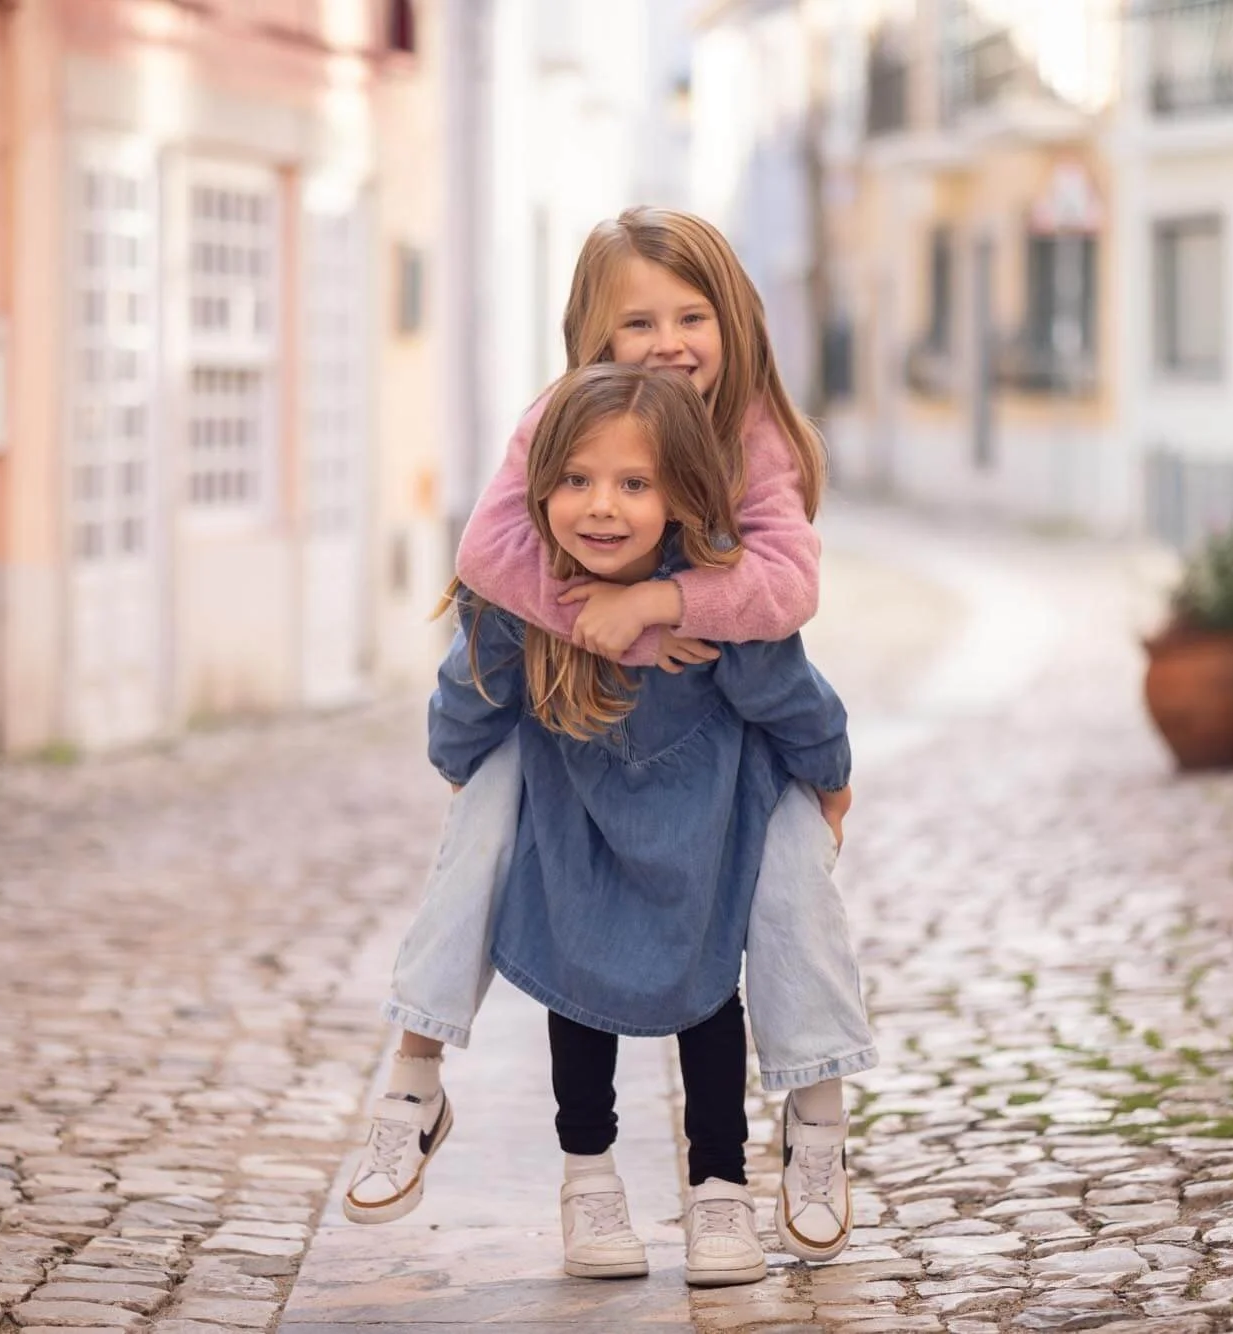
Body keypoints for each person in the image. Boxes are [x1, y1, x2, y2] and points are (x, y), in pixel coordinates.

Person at [345, 208, 870, 1264]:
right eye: (636, 320)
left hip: (720, 761)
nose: (668, 341)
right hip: (562, 748)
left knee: (789, 891)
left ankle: (810, 1112)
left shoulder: (751, 430)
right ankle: (413, 1077)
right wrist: (599, 604)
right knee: (481, 825)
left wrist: (662, 603)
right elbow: (489, 557)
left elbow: (786, 595)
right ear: (592, 333)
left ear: (732, 319)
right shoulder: (558, 423)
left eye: (691, 314)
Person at [424, 362, 852, 1285]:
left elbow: (792, 694)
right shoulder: (523, 602)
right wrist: (464, 771)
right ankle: (588, 1183)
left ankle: (720, 1191)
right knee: (578, 1000)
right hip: (578, 832)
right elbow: (470, 692)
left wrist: (832, 777)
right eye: (575, 480)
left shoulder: (713, 601)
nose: (601, 508)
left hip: (697, 836)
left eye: (633, 484)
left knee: (708, 1004)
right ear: (538, 492)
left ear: (681, 496)